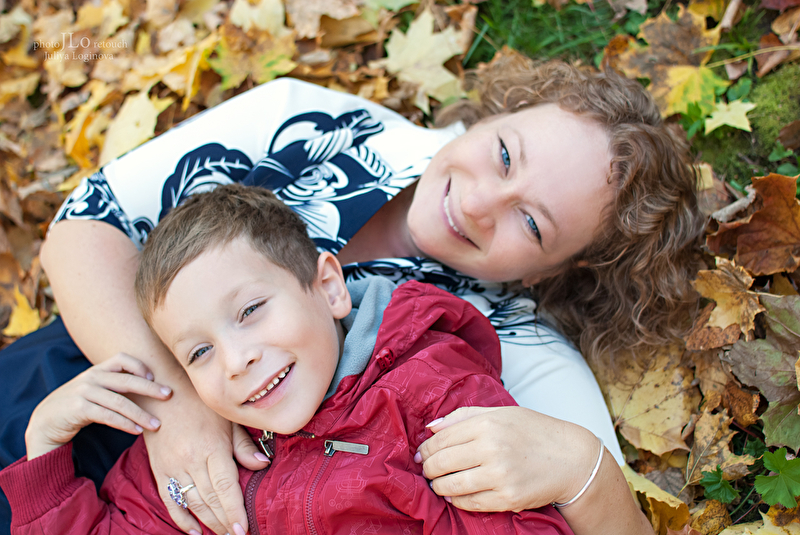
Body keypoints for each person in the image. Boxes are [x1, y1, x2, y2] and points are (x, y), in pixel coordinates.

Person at [0, 57, 702, 535]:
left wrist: (585, 471)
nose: (479, 202)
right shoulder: (316, 124)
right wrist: (180, 407)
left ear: (557, 270)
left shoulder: (520, 351)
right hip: (74, 384)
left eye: (532, 223)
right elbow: (82, 230)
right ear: (495, 117)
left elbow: (601, 512)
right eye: (504, 155)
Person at [0, 184, 575, 535]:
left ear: (328, 287)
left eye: (250, 310)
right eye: (199, 351)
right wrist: (44, 451)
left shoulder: (432, 395)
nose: (235, 360)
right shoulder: (197, 457)